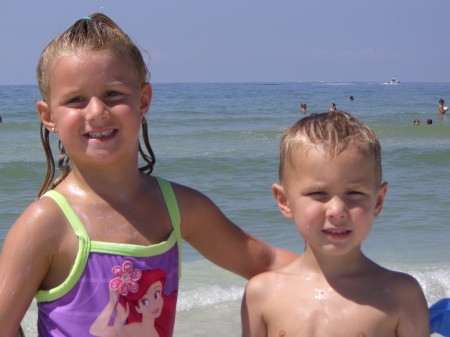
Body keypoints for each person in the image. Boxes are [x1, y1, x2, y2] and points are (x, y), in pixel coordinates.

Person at [0, 14, 297, 336]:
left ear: (143, 100)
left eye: (113, 94)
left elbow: (264, 262)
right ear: (48, 116)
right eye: (76, 100)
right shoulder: (45, 223)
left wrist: (350, 278)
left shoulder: (178, 207)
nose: (97, 111)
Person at [241, 111, 429, 337]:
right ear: (285, 201)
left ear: (377, 201)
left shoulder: (400, 295)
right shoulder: (262, 294)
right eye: (319, 193)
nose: (337, 210)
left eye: (354, 193)